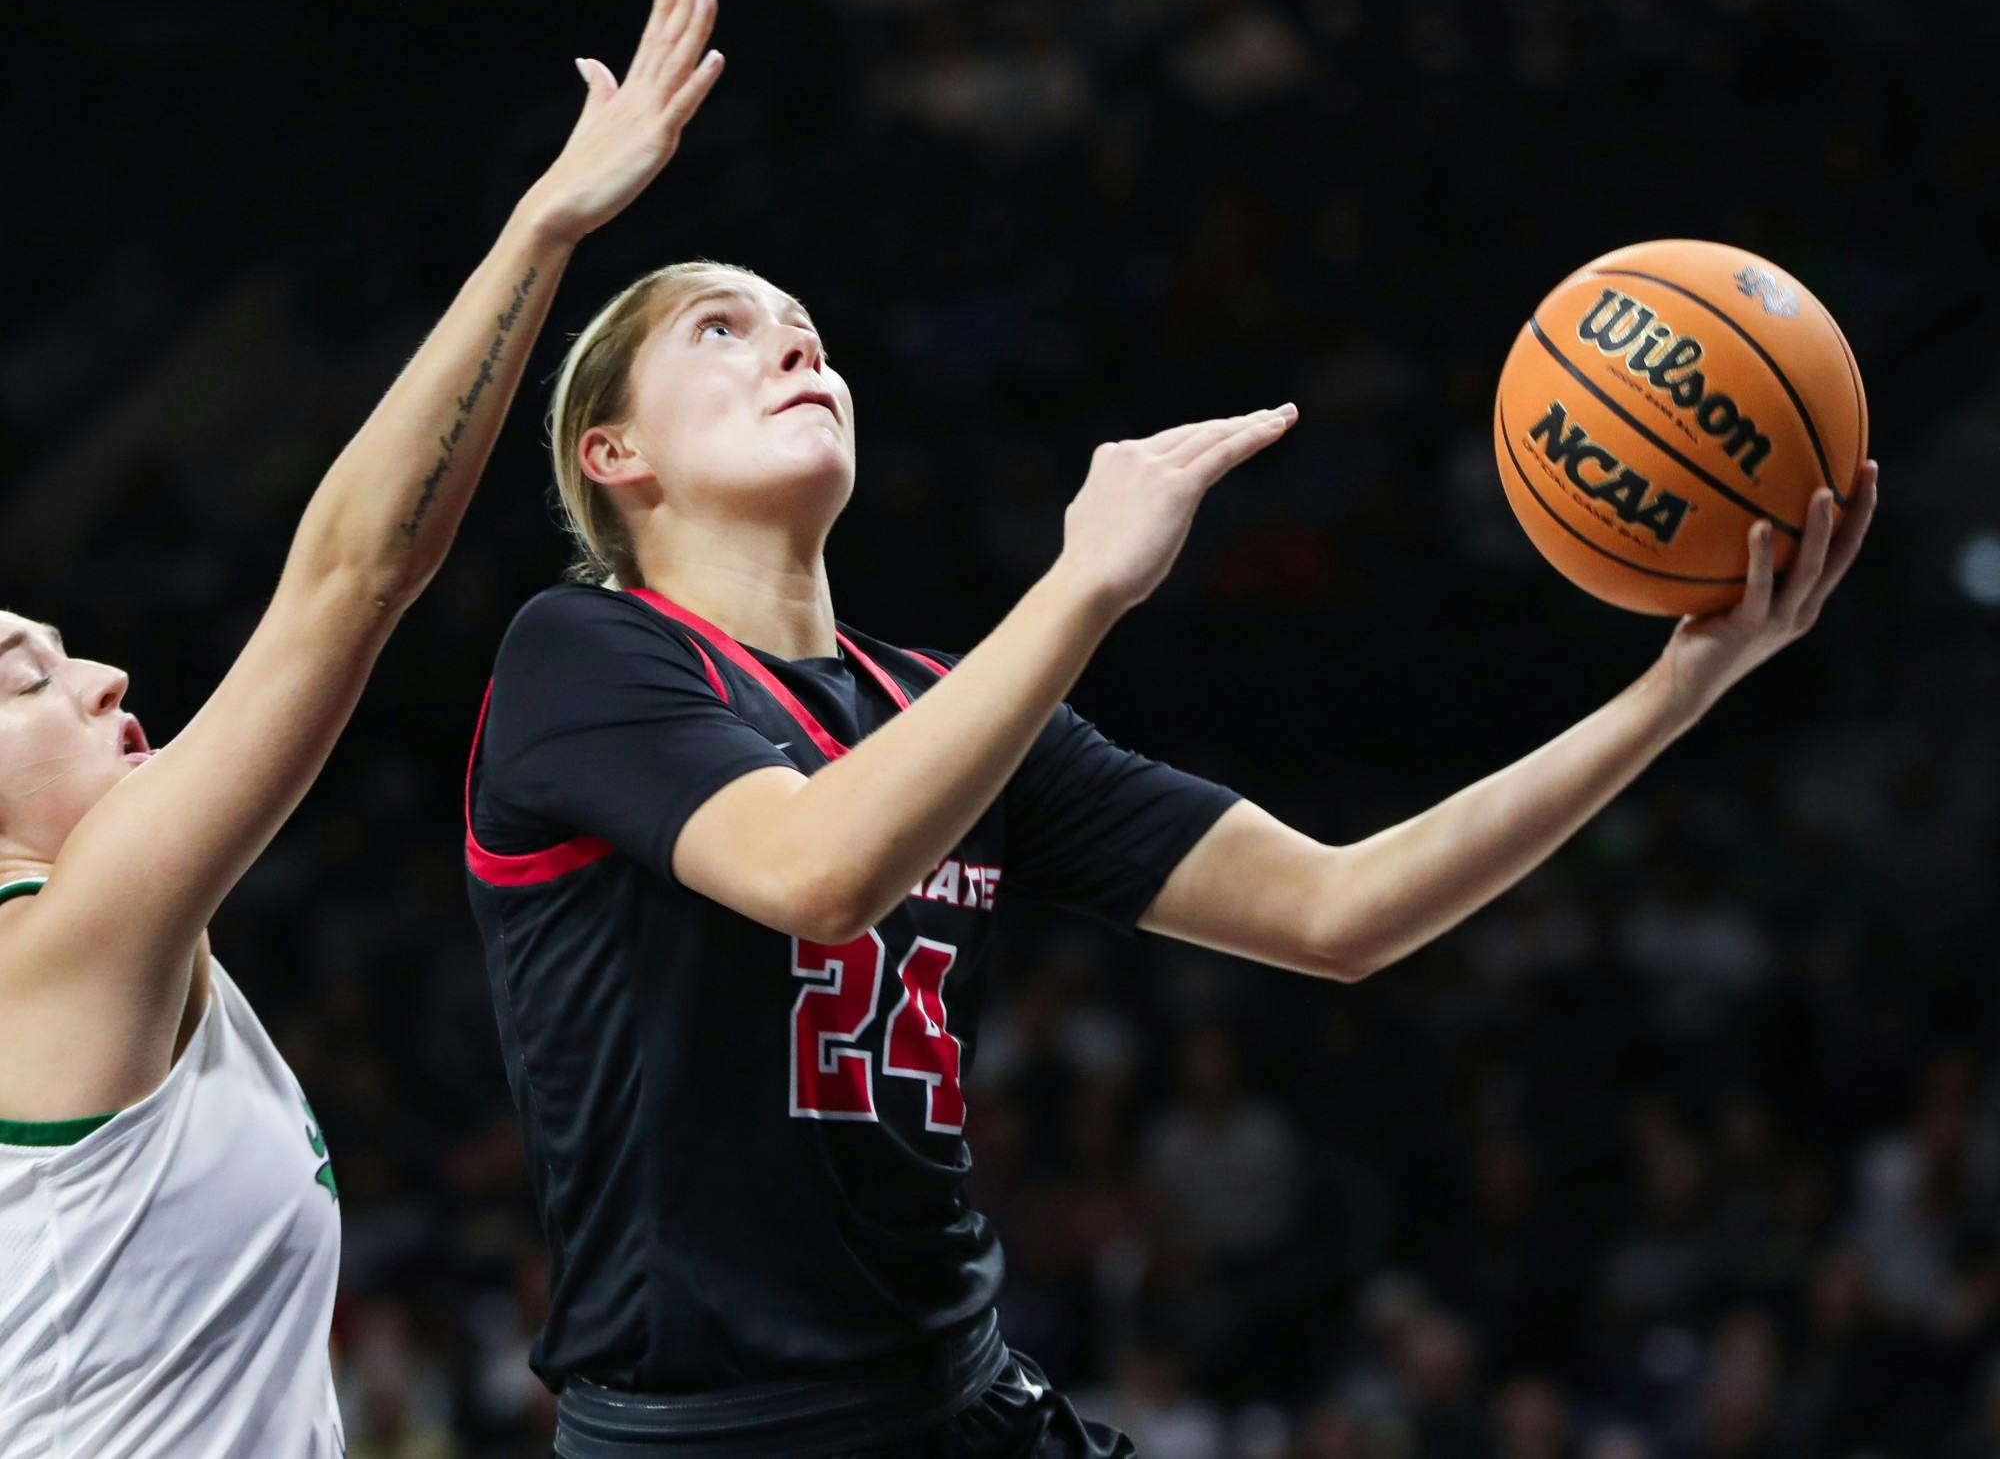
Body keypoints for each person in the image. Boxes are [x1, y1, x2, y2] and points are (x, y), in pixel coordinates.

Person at [465, 202, 1877, 1457]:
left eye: (809, 333)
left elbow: (1344, 913)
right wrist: (1087, 583)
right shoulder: (581, 654)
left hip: (958, 1396)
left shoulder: (947, 704)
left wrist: (1674, 696)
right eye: (728, 326)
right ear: (616, 452)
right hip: (720, 1436)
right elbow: (816, 872)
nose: (795, 349)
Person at [0, 0, 726, 1457]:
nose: (104, 675)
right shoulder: (48, 953)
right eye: (29, 677)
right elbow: (352, 578)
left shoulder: (111, 963)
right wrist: (547, 226)